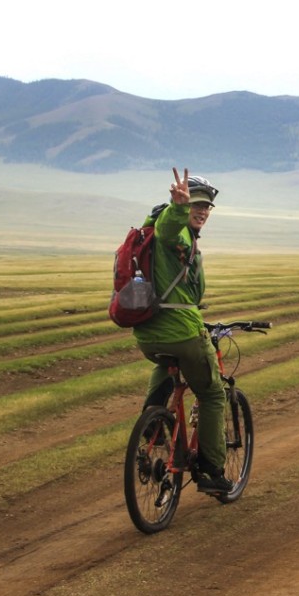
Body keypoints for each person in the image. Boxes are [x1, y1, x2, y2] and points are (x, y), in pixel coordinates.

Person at [132, 167, 232, 494]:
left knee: (166, 364)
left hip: (148, 332)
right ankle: (212, 471)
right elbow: (169, 231)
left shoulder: (156, 235)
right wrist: (177, 207)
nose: (202, 211)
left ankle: (154, 424)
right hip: (181, 332)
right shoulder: (174, 231)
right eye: (196, 205)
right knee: (213, 393)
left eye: (206, 207)